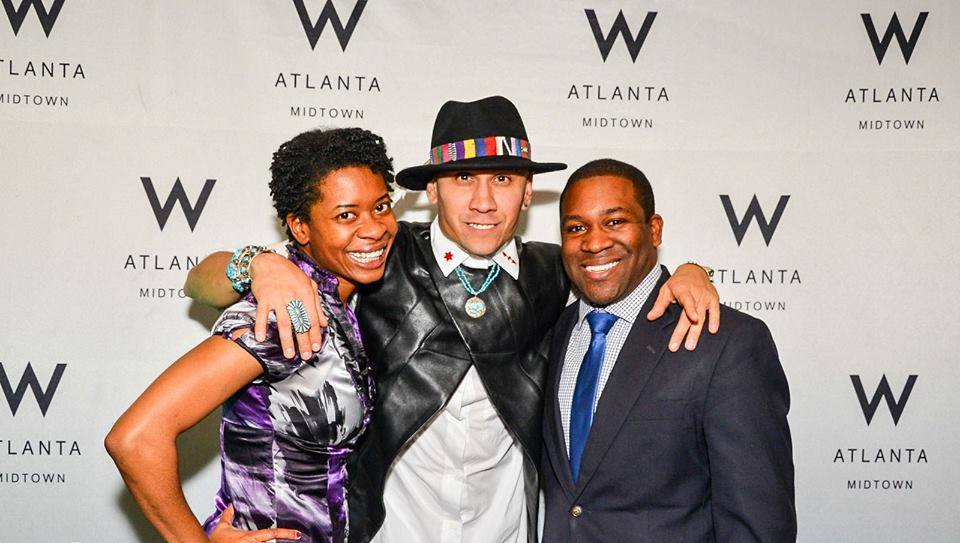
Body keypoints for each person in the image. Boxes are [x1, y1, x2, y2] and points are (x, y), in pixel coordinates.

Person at [184, 96, 720, 543]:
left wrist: (692, 270)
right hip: (390, 533)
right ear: (432, 190)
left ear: (528, 191)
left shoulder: (553, 272)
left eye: (503, 179)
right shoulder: (377, 256)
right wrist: (260, 265)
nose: (483, 201)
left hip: (506, 532)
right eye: (463, 178)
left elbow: (627, 268)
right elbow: (198, 281)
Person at [105, 127, 398, 543]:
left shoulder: (338, 301)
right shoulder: (284, 318)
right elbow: (135, 438)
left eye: (382, 207)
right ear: (299, 227)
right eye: (346, 215)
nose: (374, 229)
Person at [542, 159, 796, 542]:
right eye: (577, 228)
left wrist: (695, 268)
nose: (594, 242)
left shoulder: (725, 342)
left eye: (615, 221)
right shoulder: (550, 333)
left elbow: (758, 524)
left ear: (654, 229)